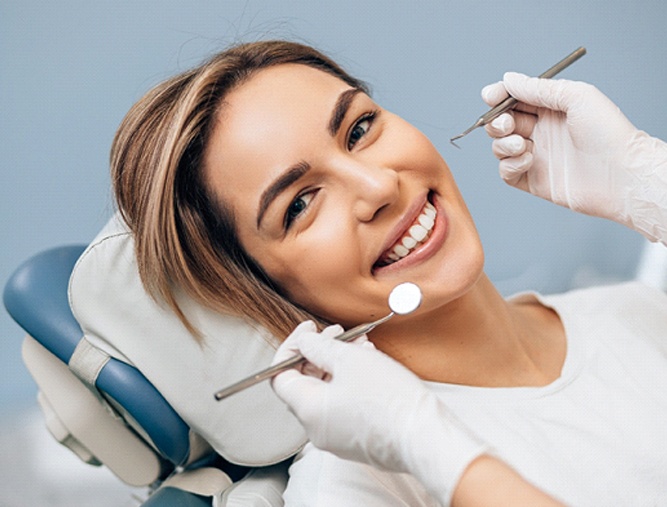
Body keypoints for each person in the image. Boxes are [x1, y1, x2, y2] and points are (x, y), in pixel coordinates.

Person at [111, 40, 667, 506]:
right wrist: (426, 445)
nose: (378, 188)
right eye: (300, 205)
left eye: (359, 129)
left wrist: (653, 191)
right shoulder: (355, 485)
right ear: (258, 286)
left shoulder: (636, 312)